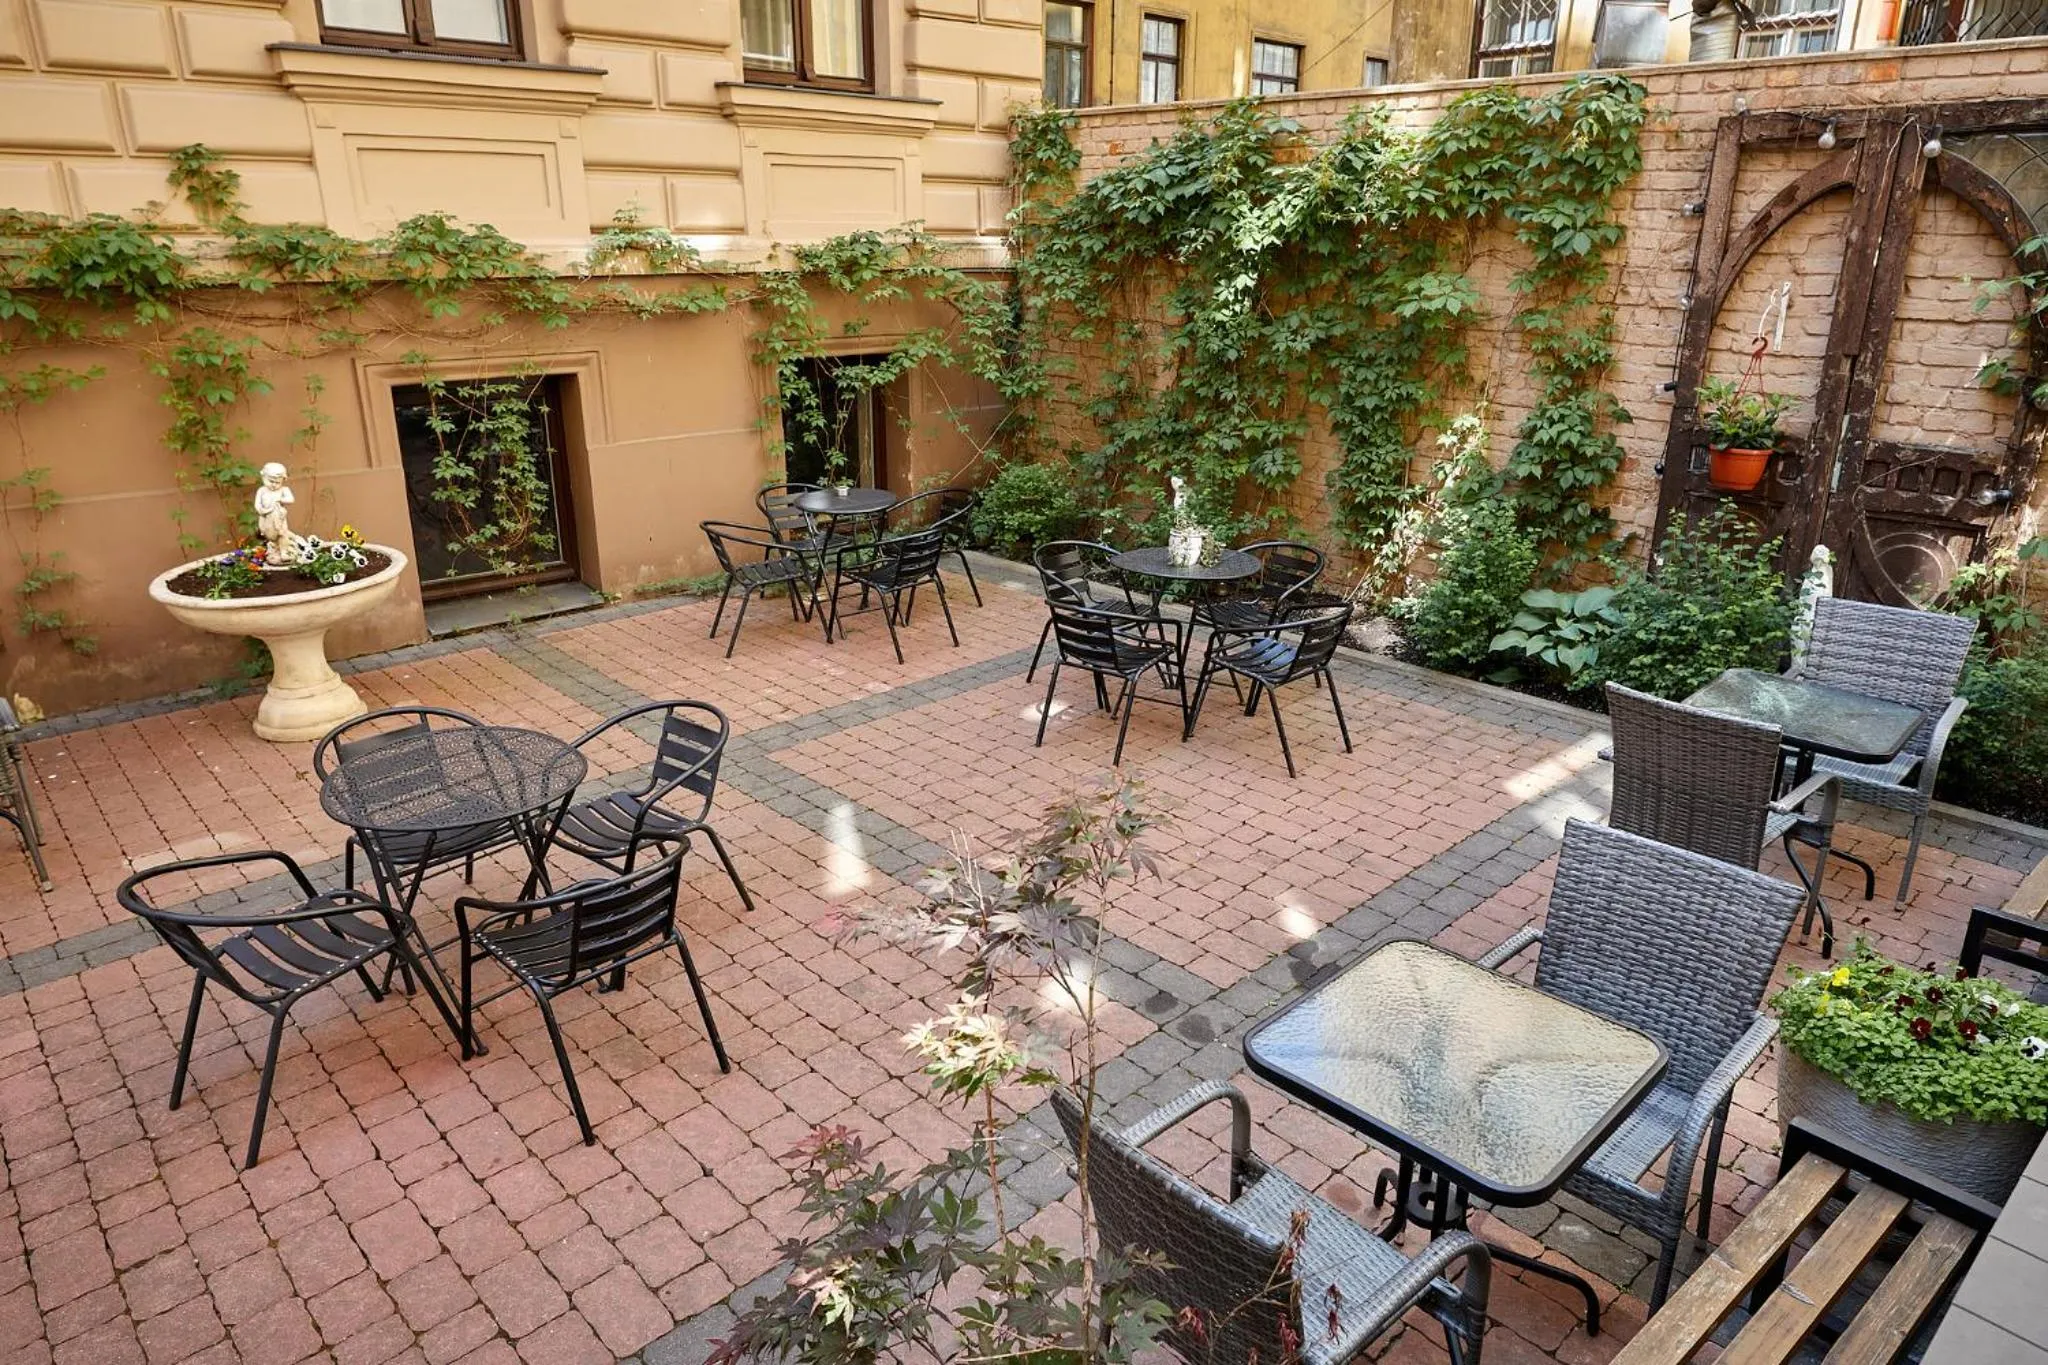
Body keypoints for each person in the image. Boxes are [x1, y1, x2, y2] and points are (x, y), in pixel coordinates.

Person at [253, 462, 301, 565]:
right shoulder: (262, 491)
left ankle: (284, 552)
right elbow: (257, 505)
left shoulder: (284, 490)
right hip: (266, 519)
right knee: (270, 536)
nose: (274, 485)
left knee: (282, 534)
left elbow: (291, 499)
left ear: (283, 481)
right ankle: (274, 549)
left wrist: (280, 499)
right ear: (263, 477)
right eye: (271, 481)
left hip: (279, 519)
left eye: (277, 482)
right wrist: (263, 510)